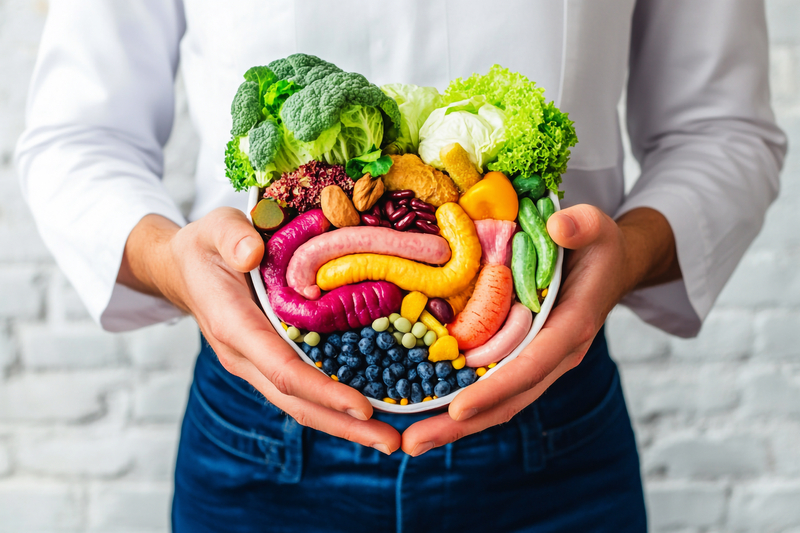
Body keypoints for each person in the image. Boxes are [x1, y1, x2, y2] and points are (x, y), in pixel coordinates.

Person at [16, 1, 786, 531]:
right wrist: (175, 263)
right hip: (259, 438)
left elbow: (722, 131)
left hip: (549, 436)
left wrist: (625, 258)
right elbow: (79, 139)